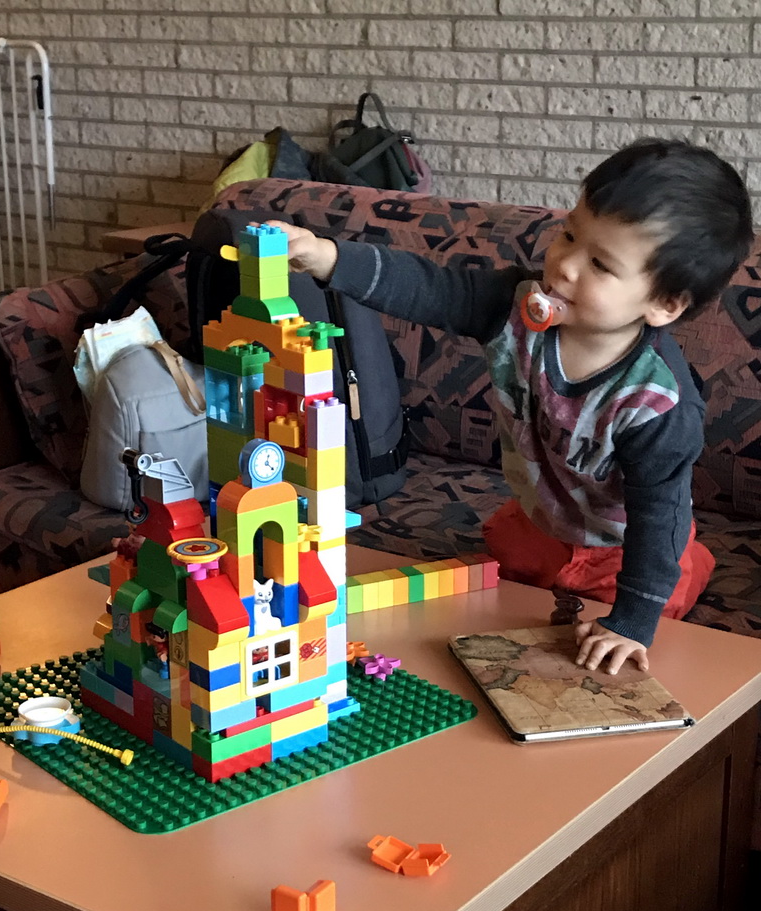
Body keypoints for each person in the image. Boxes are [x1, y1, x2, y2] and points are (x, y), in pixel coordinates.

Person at [266, 138, 753, 674]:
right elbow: (431, 288)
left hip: (624, 539)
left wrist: (634, 619)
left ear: (663, 304)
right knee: (506, 578)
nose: (565, 265)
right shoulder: (515, 307)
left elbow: (657, 512)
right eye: (569, 233)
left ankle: (688, 565)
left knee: (638, 613)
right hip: (544, 517)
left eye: (601, 265)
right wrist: (328, 258)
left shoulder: (655, 406)